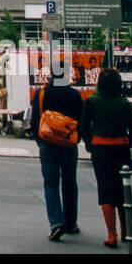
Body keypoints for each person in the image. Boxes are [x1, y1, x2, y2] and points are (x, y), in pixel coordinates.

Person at [80, 67, 132, 248]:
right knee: (122, 190)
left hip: (100, 148)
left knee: (105, 191)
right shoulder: (123, 102)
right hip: (121, 148)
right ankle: (126, 230)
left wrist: (89, 144)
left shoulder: (92, 101)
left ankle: (112, 235)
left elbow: (83, 128)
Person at [29, 62, 83, 242]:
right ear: (67, 75)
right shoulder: (74, 95)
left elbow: (35, 120)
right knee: (69, 183)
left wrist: (40, 141)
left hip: (47, 143)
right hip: (68, 145)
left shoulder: (42, 93)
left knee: (50, 184)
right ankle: (70, 223)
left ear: (51, 74)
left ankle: (55, 222)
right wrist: (77, 139)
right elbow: (80, 121)